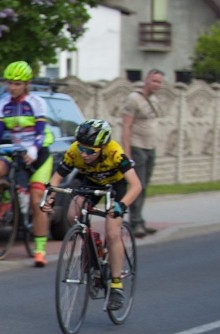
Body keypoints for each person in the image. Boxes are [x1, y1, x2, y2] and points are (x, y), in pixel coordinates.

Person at [41, 119, 141, 310]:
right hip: (92, 181)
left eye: (90, 151)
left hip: (115, 186)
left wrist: (121, 205)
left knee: (112, 231)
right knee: (73, 214)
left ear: (102, 147)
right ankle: (94, 246)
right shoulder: (74, 151)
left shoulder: (115, 153)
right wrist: (50, 198)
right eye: (82, 149)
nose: (84, 154)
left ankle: (116, 285)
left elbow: (136, 185)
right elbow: (56, 178)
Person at [0, 61, 54, 267]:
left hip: (38, 154)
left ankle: (40, 250)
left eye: (17, 84)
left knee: (37, 200)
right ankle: (5, 196)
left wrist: (33, 149)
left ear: (26, 84)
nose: (12, 87)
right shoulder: (4, 104)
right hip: (17, 153)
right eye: (10, 83)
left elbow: (40, 133)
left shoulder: (37, 102)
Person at [121, 68, 164, 239]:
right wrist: (127, 153)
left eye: (159, 82)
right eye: (154, 81)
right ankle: (135, 222)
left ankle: (140, 219)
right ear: (147, 80)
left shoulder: (153, 99)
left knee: (144, 185)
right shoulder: (133, 99)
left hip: (150, 147)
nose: (157, 85)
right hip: (137, 147)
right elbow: (126, 126)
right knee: (137, 186)